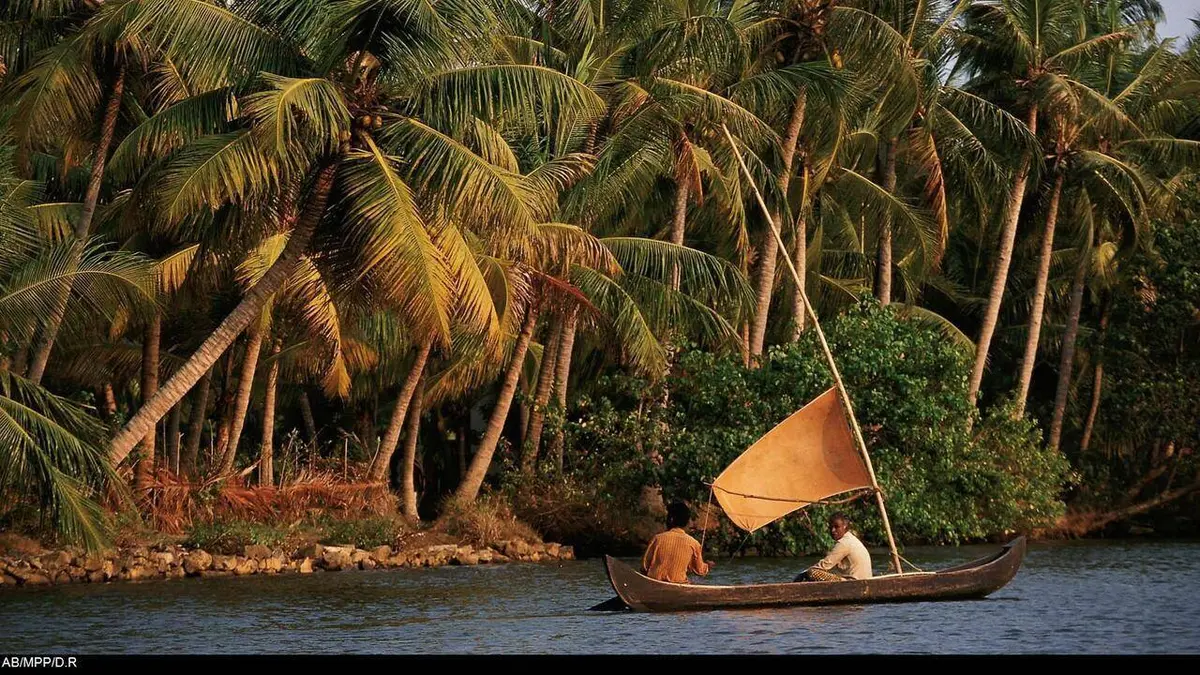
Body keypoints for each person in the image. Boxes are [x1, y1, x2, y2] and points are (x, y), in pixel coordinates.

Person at [641, 501, 713, 583]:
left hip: (654, 583)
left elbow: (644, 567)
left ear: (670, 520)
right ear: (687, 522)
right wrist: (708, 566)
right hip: (679, 584)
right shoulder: (694, 543)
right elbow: (700, 570)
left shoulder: (657, 539)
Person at [794, 512, 872, 582]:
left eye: (836, 527)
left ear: (845, 526)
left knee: (812, 572)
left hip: (852, 582)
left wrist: (803, 574)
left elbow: (824, 565)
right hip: (863, 581)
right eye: (830, 527)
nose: (833, 530)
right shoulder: (851, 539)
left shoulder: (844, 543)